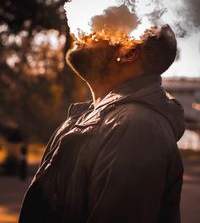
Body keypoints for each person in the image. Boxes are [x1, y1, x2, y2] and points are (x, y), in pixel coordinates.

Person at [19, 24, 185, 223]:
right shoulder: (96, 118)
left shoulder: (135, 127)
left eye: (99, 26)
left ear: (129, 52)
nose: (84, 31)